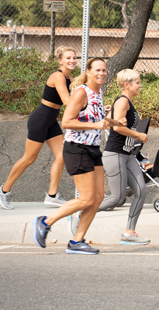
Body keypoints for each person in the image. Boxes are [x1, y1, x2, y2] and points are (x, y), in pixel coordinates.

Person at [32, 58, 124, 255]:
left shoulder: (98, 93)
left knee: (98, 197)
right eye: (98, 70)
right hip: (76, 148)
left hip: (92, 149)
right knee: (86, 198)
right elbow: (66, 122)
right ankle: (45, 221)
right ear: (88, 72)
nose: (102, 73)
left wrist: (115, 122)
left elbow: (96, 119)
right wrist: (95, 125)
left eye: (104, 70)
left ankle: (76, 241)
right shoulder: (81, 92)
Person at [0, 46, 78, 209]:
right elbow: (67, 101)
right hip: (40, 119)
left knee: (62, 155)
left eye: (74, 58)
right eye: (68, 58)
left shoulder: (69, 78)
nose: (72, 60)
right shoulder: (58, 76)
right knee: (29, 158)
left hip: (51, 120)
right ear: (60, 60)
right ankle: (3, 191)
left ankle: (52, 195)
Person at [98, 69, 150, 245]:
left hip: (127, 156)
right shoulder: (122, 101)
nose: (140, 86)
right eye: (137, 83)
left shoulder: (127, 102)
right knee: (117, 199)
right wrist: (139, 135)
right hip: (116, 154)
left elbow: (115, 123)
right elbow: (116, 128)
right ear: (127, 84)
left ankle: (129, 232)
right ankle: (80, 212)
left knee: (141, 191)